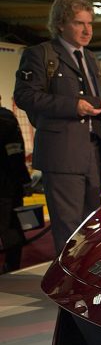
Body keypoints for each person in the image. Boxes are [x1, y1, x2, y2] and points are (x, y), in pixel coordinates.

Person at [13, 0, 101, 254]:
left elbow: (92, 95)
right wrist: (72, 106)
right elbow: (25, 96)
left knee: (91, 225)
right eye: (79, 23)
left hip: (92, 154)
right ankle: (67, 288)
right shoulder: (40, 54)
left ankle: (86, 280)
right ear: (60, 24)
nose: (87, 30)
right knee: (68, 227)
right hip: (61, 155)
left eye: (90, 23)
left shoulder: (91, 59)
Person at [0, 94, 30, 273]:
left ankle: (11, 265)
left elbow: (14, 153)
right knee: (12, 226)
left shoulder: (5, 119)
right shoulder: (7, 118)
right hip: (10, 184)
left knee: (10, 226)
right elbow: (16, 153)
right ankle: (12, 264)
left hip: (6, 186)